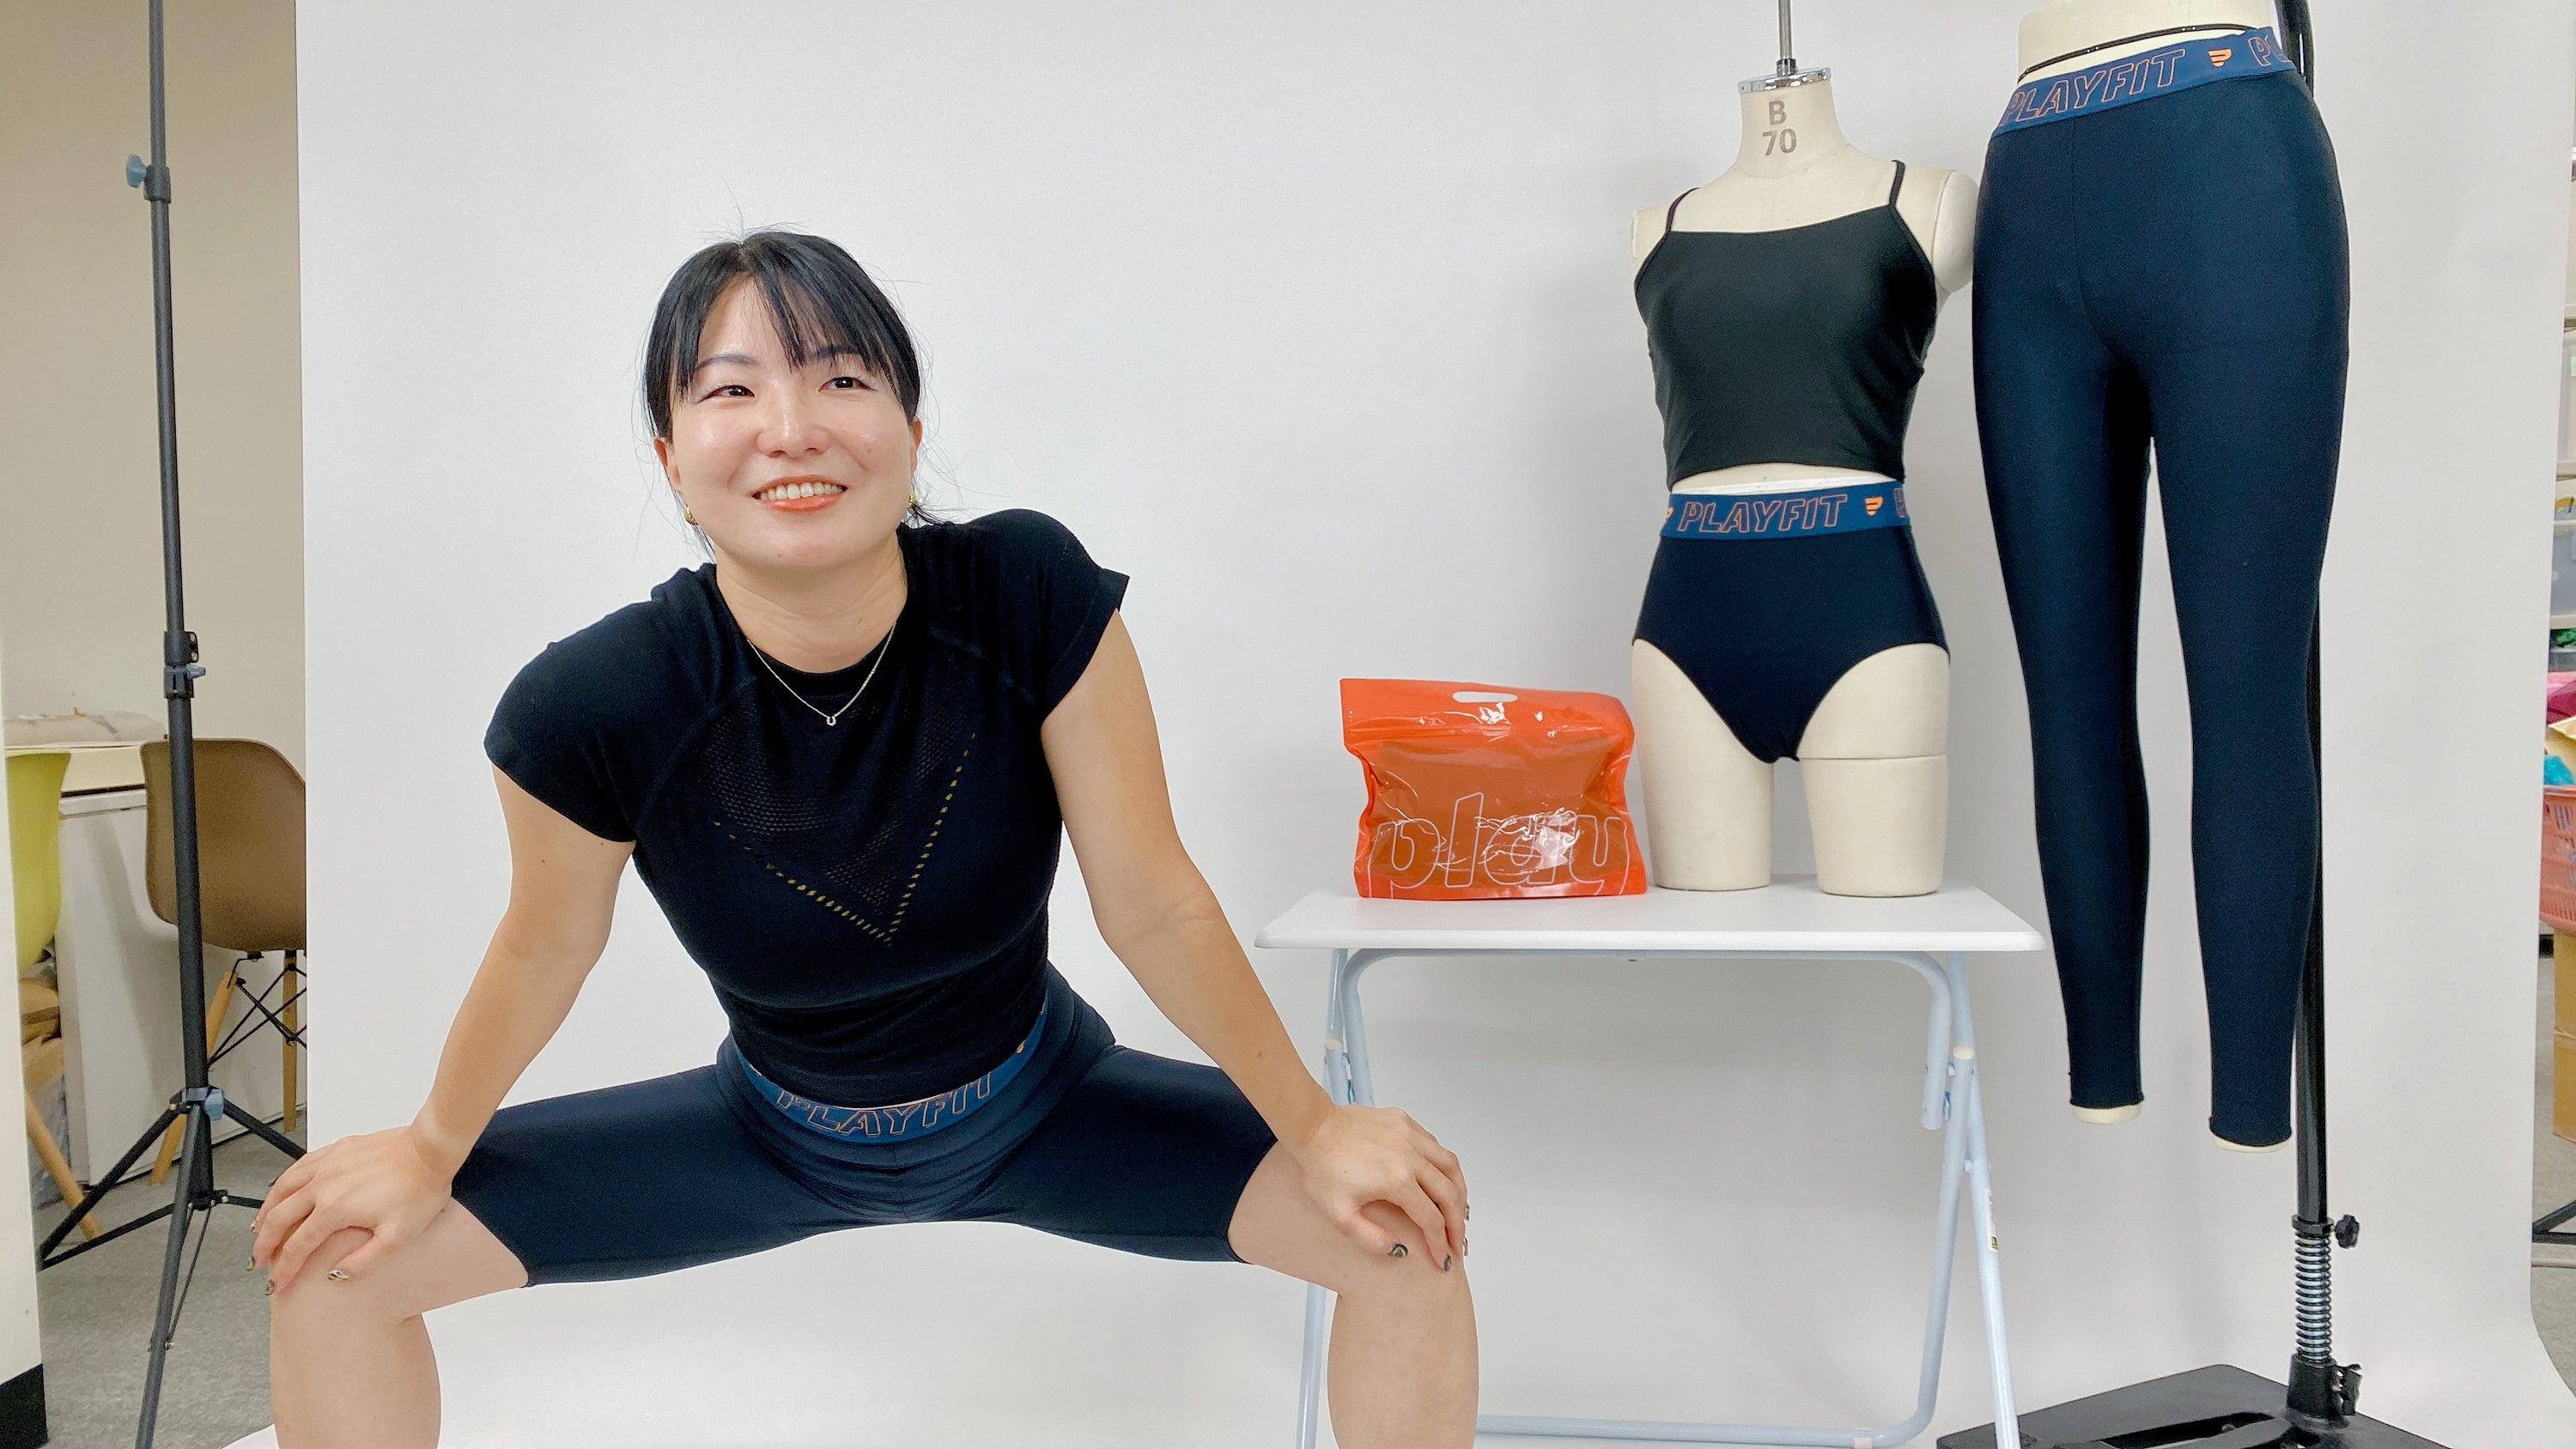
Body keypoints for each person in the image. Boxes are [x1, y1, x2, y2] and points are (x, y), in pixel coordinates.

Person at [253, 230, 1477, 1447]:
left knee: (1401, 1237)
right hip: (768, 1134)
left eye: (841, 378)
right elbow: (543, 946)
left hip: (1050, 1106)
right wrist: (428, 1150)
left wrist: (1317, 1127)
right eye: (732, 391)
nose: (791, 430)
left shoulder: (1025, 592)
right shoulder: (593, 706)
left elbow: (1150, 899)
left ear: (910, 432)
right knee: (334, 1268)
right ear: (671, 458)